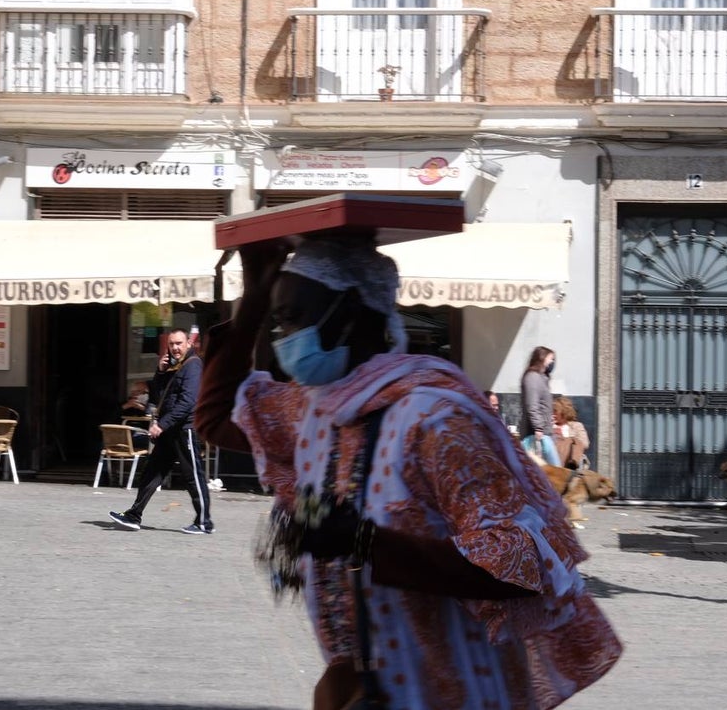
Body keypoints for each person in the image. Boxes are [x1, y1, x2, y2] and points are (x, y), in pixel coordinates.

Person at [195, 236, 620, 710]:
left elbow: (519, 565)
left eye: (292, 317)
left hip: (452, 690)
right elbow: (217, 417)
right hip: (363, 688)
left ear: (351, 311)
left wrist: (363, 542)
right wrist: (255, 294)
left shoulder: (436, 417)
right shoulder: (317, 408)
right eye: (278, 323)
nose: (283, 337)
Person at [109, 329, 212, 535]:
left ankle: (204, 522)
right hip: (169, 431)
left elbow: (187, 402)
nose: (175, 347)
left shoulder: (193, 366)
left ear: (188, 344)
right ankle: (134, 515)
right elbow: (158, 396)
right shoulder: (175, 366)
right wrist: (160, 371)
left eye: (179, 343)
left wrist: (162, 424)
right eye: (172, 344)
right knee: (151, 472)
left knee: (193, 476)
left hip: (183, 430)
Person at [520, 346, 559, 466]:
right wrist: (538, 427)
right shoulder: (532, 377)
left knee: (551, 473)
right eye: (550, 359)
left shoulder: (542, 379)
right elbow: (532, 405)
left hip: (545, 433)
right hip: (538, 435)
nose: (552, 363)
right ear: (541, 359)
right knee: (555, 472)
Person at [552, 395, 590, 469]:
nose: (553, 414)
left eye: (555, 411)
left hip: (568, 458)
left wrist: (566, 438)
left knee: (575, 442)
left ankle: (572, 464)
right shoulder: (549, 426)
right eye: (552, 411)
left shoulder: (576, 426)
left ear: (563, 412)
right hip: (553, 457)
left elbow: (585, 443)